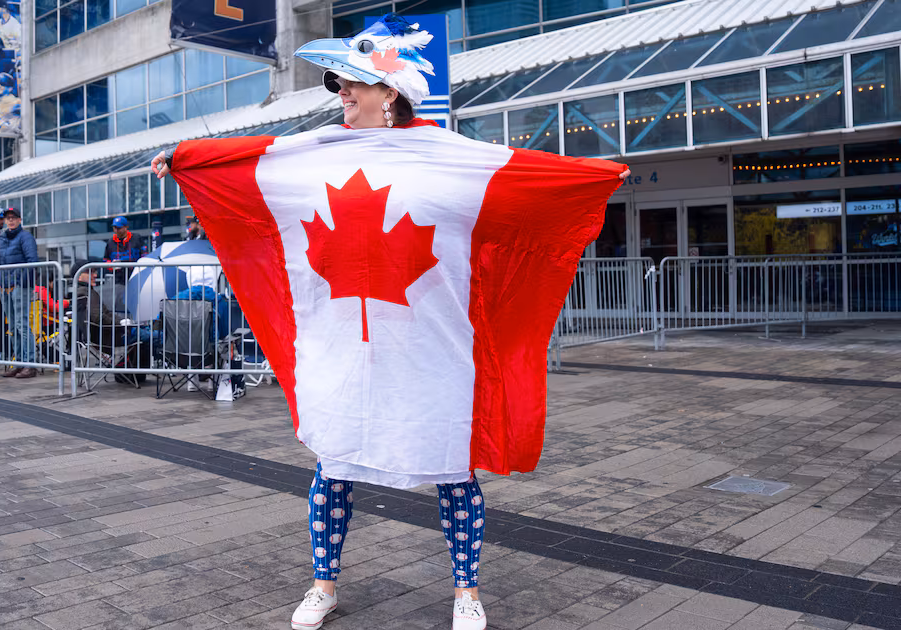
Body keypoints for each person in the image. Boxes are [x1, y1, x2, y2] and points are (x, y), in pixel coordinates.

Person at [151, 15, 630, 630]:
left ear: (391, 92)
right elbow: (249, 160)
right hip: (341, 345)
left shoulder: (446, 155)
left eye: (353, 81)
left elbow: (519, 172)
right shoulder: (314, 153)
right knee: (334, 466)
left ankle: (467, 592)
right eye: (338, 82)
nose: (341, 92)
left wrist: (593, 176)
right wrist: (185, 159)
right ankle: (322, 585)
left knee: (453, 468)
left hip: (429, 344)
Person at [0, 207, 39, 379]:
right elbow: (0, 261)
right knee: (13, 326)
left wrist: (20, 282)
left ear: (20, 220)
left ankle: (30, 364)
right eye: (8, 218)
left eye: (13, 217)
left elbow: (32, 261)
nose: (10, 220)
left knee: (22, 324)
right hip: (4, 286)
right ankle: (19, 362)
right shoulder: (2, 237)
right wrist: (0, 282)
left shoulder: (25, 237)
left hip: (19, 286)